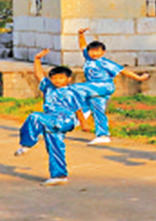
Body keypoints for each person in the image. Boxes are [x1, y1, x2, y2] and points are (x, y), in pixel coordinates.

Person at [14, 48, 112, 185]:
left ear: (68, 79)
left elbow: (78, 108)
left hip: (65, 120)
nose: (57, 81)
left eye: (61, 78)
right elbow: (39, 75)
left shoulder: (71, 92)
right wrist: (37, 59)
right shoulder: (48, 87)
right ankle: (59, 176)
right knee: (54, 146)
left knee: (35, 117)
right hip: (51, 121)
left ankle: (27, 144)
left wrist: (84, 123)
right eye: (54, 78)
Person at [76, 28, 150, 145]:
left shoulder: (105, 63)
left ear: (103, 52)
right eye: (92, 51)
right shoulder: (88, 58)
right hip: (93, 89)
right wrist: (80, 34)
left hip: (104, 86)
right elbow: (82, 46)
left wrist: (139, 78)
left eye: (97, 51)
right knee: (98, 110)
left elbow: (123, 71)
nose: (94, 53)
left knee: (75, 89)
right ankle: (103, 135)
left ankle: (84, 111)